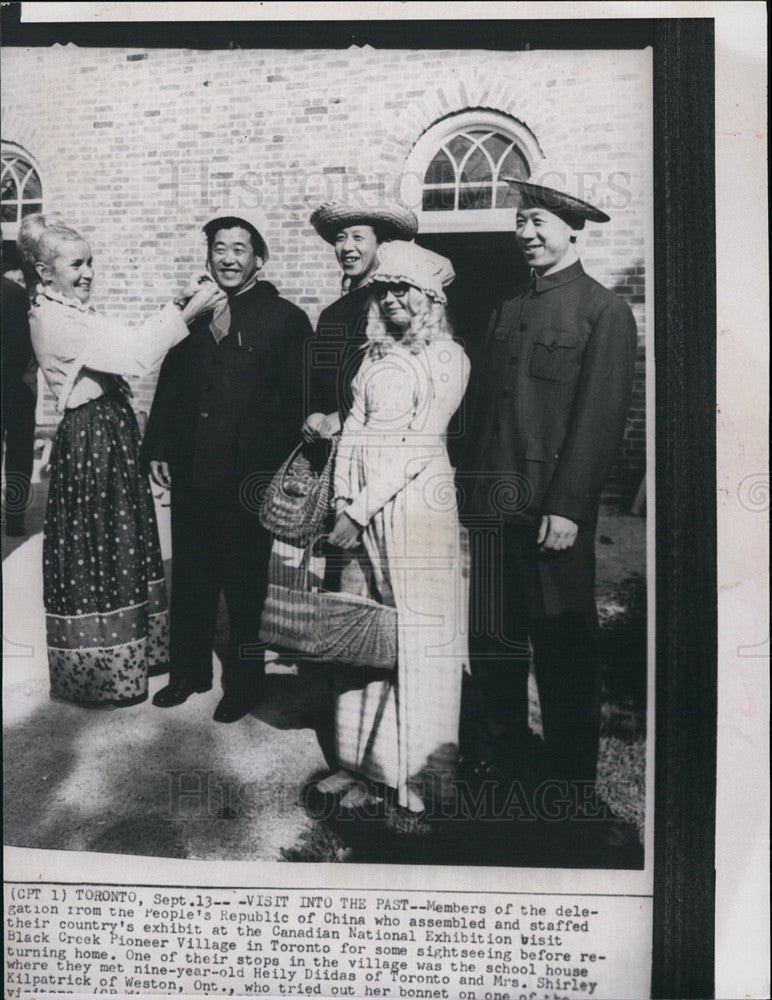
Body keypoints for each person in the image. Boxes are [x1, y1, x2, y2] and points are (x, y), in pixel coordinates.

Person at [462, 167, 637, 809]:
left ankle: (569, 780)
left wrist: (568, 507)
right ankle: (504, 758)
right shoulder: (507, 307)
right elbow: (488, 410)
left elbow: (600, 418)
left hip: (548, 514)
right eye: (520, 222)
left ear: (571, 230)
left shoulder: (603, 310)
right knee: (495, 641)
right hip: (492, 506)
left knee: (563, 646)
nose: (526, 233)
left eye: (538, 222)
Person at [17, 212, 224, 708]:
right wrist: (191, 311)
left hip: (109, 434)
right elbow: (133, 353)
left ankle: (131, 658)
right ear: (45, 273)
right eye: (76, 265)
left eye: (91, 262)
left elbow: (123, 336)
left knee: (120, 543)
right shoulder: (52, 317)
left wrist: (176, 305)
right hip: (91, 439)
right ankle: (102, 674)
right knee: (97, 549)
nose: (88, 273)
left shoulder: (73, 308)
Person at [142, 207, 313, 722]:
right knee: (191, 578)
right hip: (193, 469)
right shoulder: (190, 314)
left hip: (249, 477)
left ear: (259, 258)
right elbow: (168, 387)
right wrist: (158, 448)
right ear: (208, 256)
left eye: (239, 249)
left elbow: (301, 398)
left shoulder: (285, 320)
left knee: (244, 586)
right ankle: (188, 673)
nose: (228, 259)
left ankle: (243, 684)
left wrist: (291, 472)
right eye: (219, 248)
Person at [319, 240, 470, 814]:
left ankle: (419, 779)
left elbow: (419, 443)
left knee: (416, 636)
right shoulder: (375, 356)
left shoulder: (448, 357)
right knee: (363, 633)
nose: (392, 299)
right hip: (357, 507)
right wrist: (340, 501)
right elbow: (354, 427)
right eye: (383, 289)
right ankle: (361, 764)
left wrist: (359, 511)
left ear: (430, 296)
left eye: (403, 288)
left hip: (414, 509)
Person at [302, 199, 418, 442]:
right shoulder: (332, 313)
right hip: (327, 442)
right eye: (341, 238)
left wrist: (345, 416)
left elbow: (401, 382)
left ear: (381, 244)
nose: (347, 247)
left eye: (358, 237)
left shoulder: (395, 308)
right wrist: (314, 413)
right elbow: (318, 378)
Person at [1, 270, 36, 537]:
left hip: (14, 389)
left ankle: (14, 518)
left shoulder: (13, 292)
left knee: (19, 452)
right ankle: (14, 519)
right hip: (15, 390)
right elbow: (23, 347)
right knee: (19, 454)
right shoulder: (14, 293)